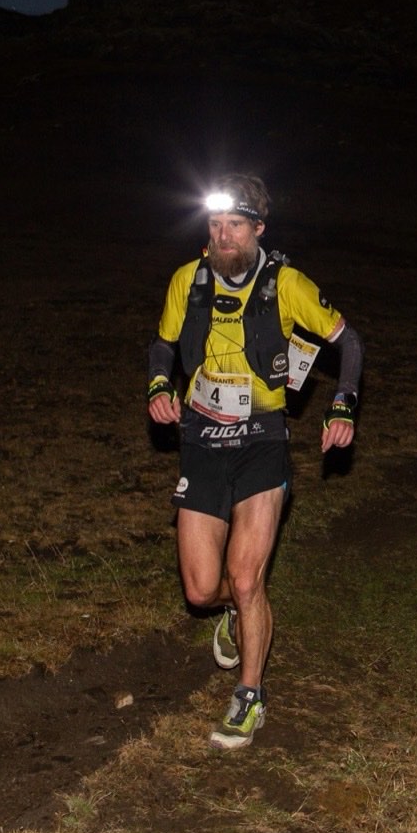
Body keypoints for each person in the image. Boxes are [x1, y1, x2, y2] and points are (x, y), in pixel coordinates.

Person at [145, 173, 363, 748]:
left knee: (246, 578)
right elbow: (163, 344)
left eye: (234, 227)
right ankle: (237, 615)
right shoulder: (186, 280)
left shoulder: (285, 284)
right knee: (200, 590)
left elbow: (350, 343)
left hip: (263, 441)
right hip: (201, 440)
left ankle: (249, 695)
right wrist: (158, 386)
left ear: (258, 229)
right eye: (215, 226)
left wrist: (342, 406)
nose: (222, 237)